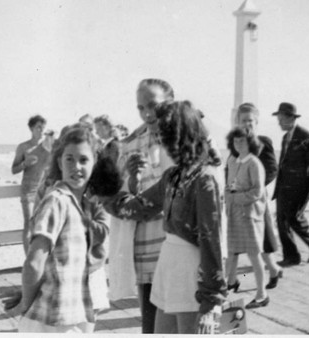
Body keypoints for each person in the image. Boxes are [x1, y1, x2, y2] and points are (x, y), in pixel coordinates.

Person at [104, 101, 226, 334]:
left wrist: (212, 302)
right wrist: (106, 197)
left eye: (166, 137)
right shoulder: (173, 177)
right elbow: (138, 207)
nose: (162, 143)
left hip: (191, 272)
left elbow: (212, 241)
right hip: (168, 267)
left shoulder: (204, 179)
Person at [2, 127, 111, 333]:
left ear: (95, 162)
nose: (76, 167)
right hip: (51, 320)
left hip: (73, 310)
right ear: (59, 162)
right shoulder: (56, 200)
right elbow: (34, 263)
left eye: (83, 160)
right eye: (69, 159)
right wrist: (27, 305)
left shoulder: (81, 203)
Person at [109, 78, 175, 334]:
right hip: (146, 249)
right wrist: (133, 180)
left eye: (153, 105)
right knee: (151, 325)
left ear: (170, 101)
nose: (147, 113)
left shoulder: (187, 140)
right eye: (140, 107)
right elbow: (123, 199)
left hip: (182, 246)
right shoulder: (132, 144)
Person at [235, 103, 283, 289]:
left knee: (260, 240)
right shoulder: (237, 144)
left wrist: (255, 185)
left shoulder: (263, 142)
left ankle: (272, 269)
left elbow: (272, 169)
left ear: (256, 122)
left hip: (257, 201)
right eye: (243, 121)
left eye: (250, 121)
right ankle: (271, 269)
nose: (247, 124)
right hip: (239, 202)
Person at [272, 102, 309, 266]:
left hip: (298, 188)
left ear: (289, 118)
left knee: (294, 218)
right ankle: (291, 256)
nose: (278, 122)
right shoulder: (285, 137)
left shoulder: (305, 136)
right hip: (283, 188)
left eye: (280, 119)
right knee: (281, 221)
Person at [225, 127, 269, 309]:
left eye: (242, 140)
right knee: (232, 252)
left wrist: (235, 197)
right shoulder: (233, 161)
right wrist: (227, 196)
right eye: (235, 141)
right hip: (235, 215)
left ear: (250, 142)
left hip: (250, 216)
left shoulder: (254, 163)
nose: (238, 144)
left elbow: (258, 192)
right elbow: (229, 185)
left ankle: (262, 294)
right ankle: (231, 283)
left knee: (254, 254)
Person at [11, 115, 52, 254]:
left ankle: (40, 257)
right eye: (38, 127)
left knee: (43, 225)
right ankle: (28, 258)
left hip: (44, 191)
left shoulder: (48, 146)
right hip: (28, 191)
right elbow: (13, 169)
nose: (41, 130)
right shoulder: (23, 147)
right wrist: (24, 164)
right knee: (29, 224)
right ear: (31, 128)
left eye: (43, 127)